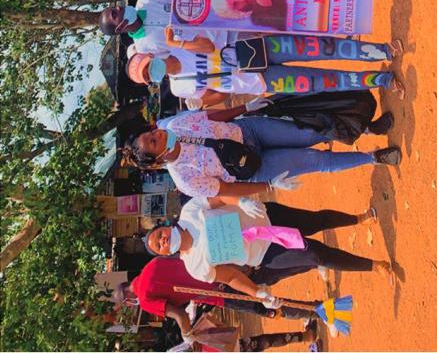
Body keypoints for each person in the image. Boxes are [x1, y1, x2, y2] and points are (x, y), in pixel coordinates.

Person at [141, 193, 393, 293]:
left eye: (160, 234)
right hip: (266, 252)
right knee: (316, 255)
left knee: (315, 221)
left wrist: (241, 201)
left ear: (165, 226)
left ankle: (358, 219)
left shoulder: (189, 212)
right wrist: (256, 292)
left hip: (267, 217)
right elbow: (230, 276)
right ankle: (375, 265)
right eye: (159, 245)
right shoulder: (194, 267)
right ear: (165, 253)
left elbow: (219, 198)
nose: (163, 239)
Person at [121, 109, 402, 198]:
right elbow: (227, 190)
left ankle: (367, 127)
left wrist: (246, 107)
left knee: (312, 132)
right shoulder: (184, 179)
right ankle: (373, 158)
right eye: (154, 142)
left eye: (152, 134)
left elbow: (212, 116)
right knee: (317, 160)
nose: (159, 134)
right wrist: (269, 185)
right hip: (255, 167)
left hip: (250, 130)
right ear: (157, 160)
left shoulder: (176, 125)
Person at [125, 34, 405, 103]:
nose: (154, 72)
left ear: (150, 55)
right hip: (260, 82)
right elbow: (214, 96)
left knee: (321, 47)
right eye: (149, 76)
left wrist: (179, 43)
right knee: (324, 82)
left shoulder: (176, 42)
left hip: (256, 50)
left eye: (149, 66)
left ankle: (382, 50)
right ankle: (381, 80)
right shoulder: (179, 88)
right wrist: (230, 90)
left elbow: (207, 45)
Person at [113, 264, 317, 328]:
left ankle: (314, 311)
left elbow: (180, 315)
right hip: (216, 270)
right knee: (266, 276)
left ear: (128, 300)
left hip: (216, 293)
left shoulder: (145, 300)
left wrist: (187, 335)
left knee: (263, 306)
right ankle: (315, 260)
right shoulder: (151, 265)